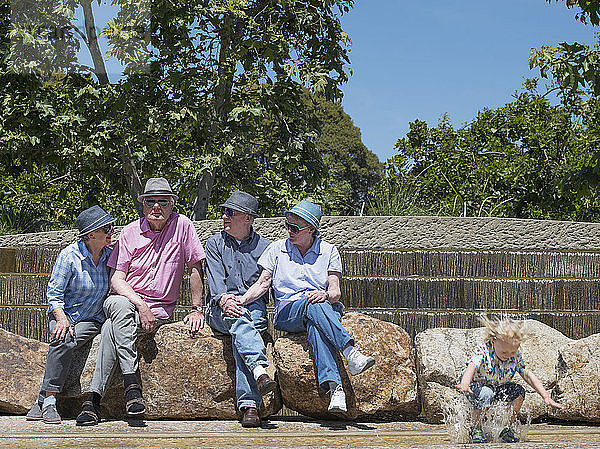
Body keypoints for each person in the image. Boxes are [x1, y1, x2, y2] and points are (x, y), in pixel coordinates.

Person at [76, 177, 206, 426]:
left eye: (163, 201)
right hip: (124, 300)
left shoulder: (183, 226)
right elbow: (117, 279)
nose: (156, 207)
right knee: (122, 307)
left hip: (158, 308)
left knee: (109, 329)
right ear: (143, 205)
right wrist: (141, 305)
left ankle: (92, 401)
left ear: (172, 205)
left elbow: (195, 268)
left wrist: (197, 309)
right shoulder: (129, 232)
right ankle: (131, 385)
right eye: (150, 201)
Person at [238, 199, 375, 414]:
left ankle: (335, 389)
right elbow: (263, 283)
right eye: (287, 226)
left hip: (322, 307)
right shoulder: (277, 249)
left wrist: (325, 294)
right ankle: (350, 352)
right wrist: (241, 301)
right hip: (288, 312)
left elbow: (335, 292)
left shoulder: (329, 251)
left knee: (316, 322)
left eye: (295, 228)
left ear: (311, 229)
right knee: (313, 304)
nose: (289, 231)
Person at [26, 205, 116, 424]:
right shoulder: (69, 256)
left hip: (92, 319)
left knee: (68, 339)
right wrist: (62, 318)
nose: (111, 231)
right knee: (62, 337)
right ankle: (48, 401)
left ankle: (41, 398)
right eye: (106, 228)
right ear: (90, 234)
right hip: (65, 314)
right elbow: (54, 294)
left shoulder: (110, 255)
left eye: (111, 226)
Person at [205, 190, 276, 428]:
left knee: (243, 328)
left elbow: (264, 286)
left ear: (247, 218)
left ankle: (249, 406)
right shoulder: (214, 243)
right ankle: (258, 372)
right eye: (223, 211)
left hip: (251, 305)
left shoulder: (266, 248)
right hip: (219, 307)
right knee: (242, 321)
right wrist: (226, 300)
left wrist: (241, 302)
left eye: (230, 212)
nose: (224, 216)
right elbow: (216, 287)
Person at [455, 316, 565, 443]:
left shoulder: (514, 355)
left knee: (518, 391)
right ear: (492, 341)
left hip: (497, 387)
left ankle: (505, 427)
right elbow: (472, 365)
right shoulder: (483, 350)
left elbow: (527, 374)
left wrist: (545, 396)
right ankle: (476, 429)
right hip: (474, 387)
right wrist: (465, 383)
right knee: (486, 393)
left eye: (512, 352)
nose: (508, 356)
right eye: (504, 352)